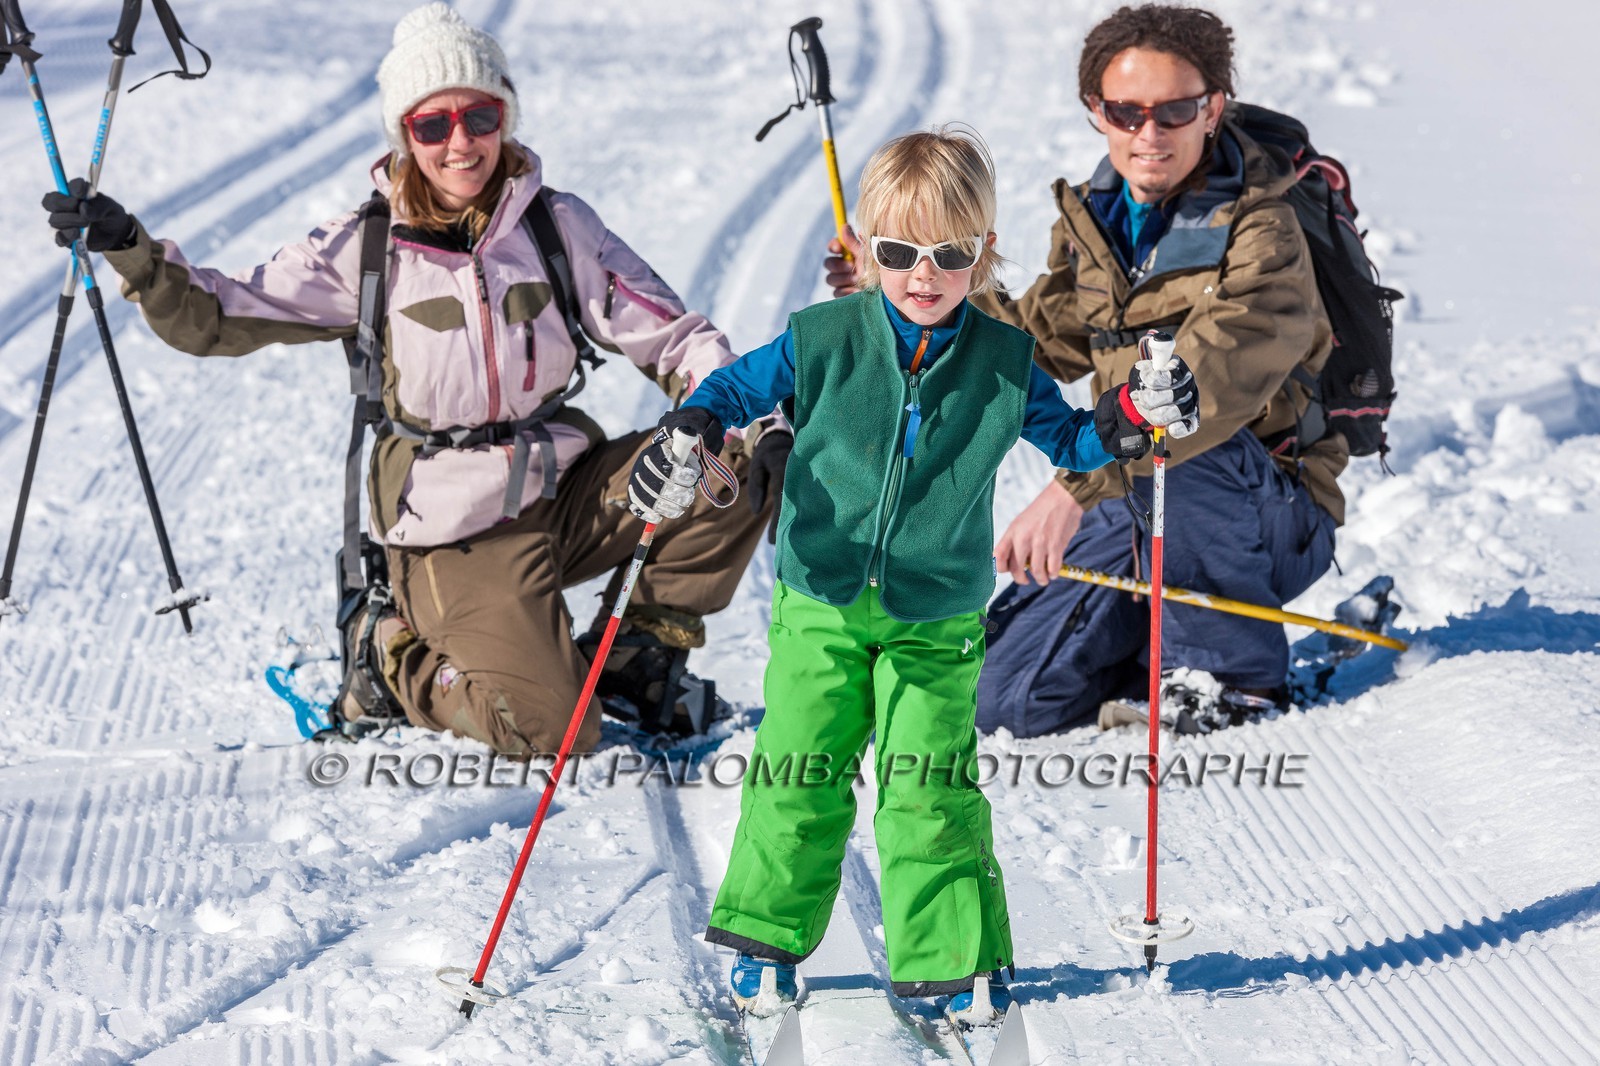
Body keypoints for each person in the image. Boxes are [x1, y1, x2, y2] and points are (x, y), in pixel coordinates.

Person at [41, 2, 788, 755]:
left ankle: (633, 658)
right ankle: (390, 656)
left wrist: (711, 403)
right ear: (405, 135)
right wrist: (129, 248)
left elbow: (677, 336)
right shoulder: (366, 250)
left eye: (480, 116)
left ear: (506, 118)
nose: (460, 143)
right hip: (450, 529)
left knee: (738, 452)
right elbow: (215, 313)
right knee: (552, 734)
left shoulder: (558, 228)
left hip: (562, 485)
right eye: (433, 126)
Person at [629, 127, 1198, 1023]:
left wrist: (1137, 412)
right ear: (865, 248)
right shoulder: (822, 339)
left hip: (935, 617)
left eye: (950, 254)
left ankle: (953, 958)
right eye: (897, 253)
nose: (921, 275)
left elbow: (1079, 441)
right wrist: (695, 425)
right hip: (820, 598)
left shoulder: (1005, 364)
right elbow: (733, 390)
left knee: (928, 781)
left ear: (985, 252)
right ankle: (765, 938)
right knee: (798, 766)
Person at [826, 4, 1341, 737]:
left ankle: (1229, 678)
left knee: (1173, 430)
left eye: (1176, 111)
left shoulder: (1265, 232)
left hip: (1260, 515)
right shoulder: (1101, 220)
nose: (1150, 134)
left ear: (1213, 109)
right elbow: (1029, 344)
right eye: (1127, 111)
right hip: (1139, 502)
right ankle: (1155, 643)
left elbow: (1201, 388)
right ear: (1097, 111)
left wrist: (1074, 489)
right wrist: (907, 284)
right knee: (1002, 698)